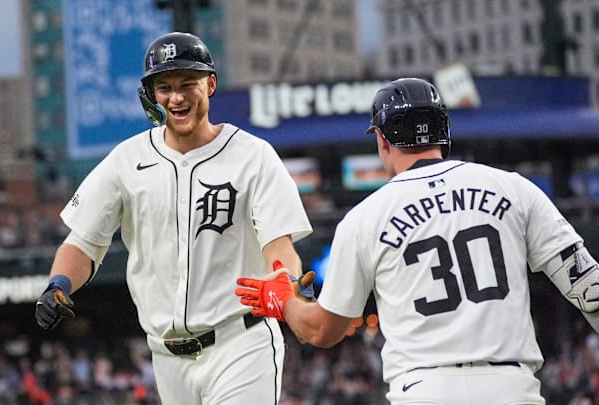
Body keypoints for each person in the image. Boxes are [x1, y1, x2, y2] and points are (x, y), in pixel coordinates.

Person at [235, 77, 599, 404]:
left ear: (382, 139)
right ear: (445, 133)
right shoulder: (514, 188)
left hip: (424, 391)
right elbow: (588, 288)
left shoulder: (365, 217)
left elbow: (321, 330)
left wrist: (285, 301)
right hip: (511, 387)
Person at [34, 32, 313, 405]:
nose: (176, 97)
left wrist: (286, 280)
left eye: (187, 84)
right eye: (164, 87)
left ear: (210, 84)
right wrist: (58, 283)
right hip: (167, 358)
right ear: (151, 95)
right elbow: (84, 242)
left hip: (240, 344)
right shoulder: (126, 159)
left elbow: (279, 244)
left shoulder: (253, 156)